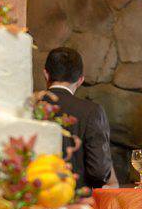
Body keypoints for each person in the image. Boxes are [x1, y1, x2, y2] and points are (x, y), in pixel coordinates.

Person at [43, 47, 117, 189]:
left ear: (46, 74)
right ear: (80, 80)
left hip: (31, 197)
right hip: (77, 200)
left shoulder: (28, 106)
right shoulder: (91, 111)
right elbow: (99, 171)